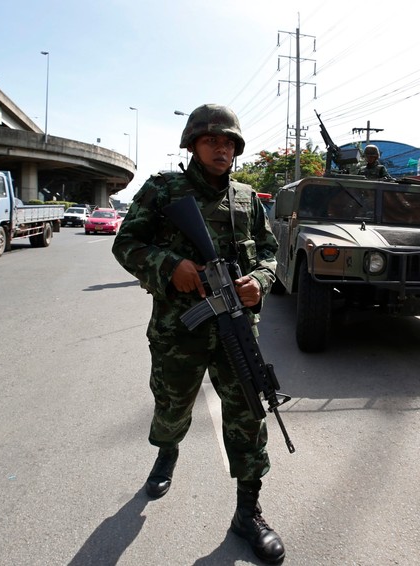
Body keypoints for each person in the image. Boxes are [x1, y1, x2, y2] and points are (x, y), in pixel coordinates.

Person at [112, 104, 285, 563]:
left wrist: (260, 282)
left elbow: (272, 254)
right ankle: (167, 451)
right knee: (171, 407)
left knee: (250, 412)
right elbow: (125, 244)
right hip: (178, 332)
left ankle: (248, 513)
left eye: (228, 141)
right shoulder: (163, 190)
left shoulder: (248, 200)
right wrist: (171, 267)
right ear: (192, 144)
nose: (221, 148)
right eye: (211, 140)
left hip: (236, 331)